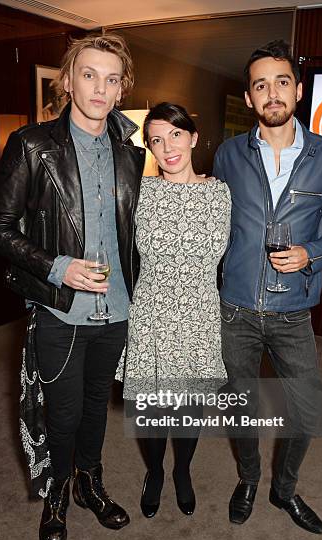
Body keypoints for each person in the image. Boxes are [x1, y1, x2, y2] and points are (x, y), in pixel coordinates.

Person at [0, 33, 145, 540]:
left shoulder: (132, 155)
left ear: (121, 90)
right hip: (60, 306)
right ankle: (56, 492)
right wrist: (56, 267)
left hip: (117, 307)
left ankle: (90, 484)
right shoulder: (33, 146)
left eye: (112, 78)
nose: (100, 88)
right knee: (64, 410)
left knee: (97, 404)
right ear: (70, 81)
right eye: (90, 75)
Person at [213, 40, 322, 534]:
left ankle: (285, 489)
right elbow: (213, 224)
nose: (271, 93)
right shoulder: (228, 154)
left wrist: (309, 254)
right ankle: (250, 479)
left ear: (297, 89)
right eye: (260, 85)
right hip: (234, 307)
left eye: (280, 82)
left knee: (306, 408)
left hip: (293, 308)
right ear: (250, 98)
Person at [120, 102, 231, 518]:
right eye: (156, 139)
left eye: (176, 135)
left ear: (193, 137)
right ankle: (154, 472)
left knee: (187, 409)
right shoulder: (140, 192)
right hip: (151, 314)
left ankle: (182, 470)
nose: (167, 147)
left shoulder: (220, 192)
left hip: (199, 314)